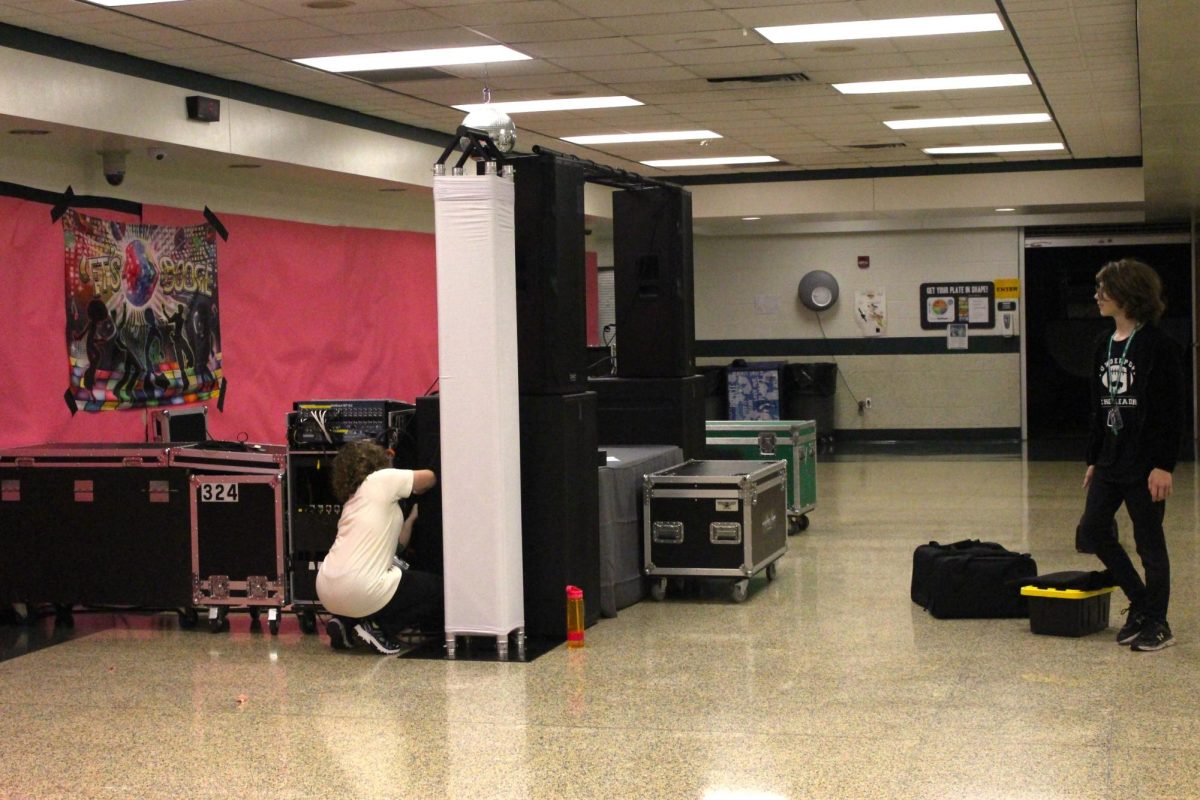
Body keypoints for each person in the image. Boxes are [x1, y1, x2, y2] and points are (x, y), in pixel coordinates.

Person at [1080, 258, 1184, 652]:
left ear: (1126, 294)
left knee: (1148, 542)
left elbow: (1171, 411)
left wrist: (1163, 465)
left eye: (1103, 289)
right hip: (1109, 460)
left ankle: (1158, 623)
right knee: (1092, 531)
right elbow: (1097, 405)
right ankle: (1142, 604)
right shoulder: (1102, 344)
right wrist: (1093, 458)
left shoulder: (1159, 346)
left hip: (1144, 464)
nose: (1097, 296)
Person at [316, 440, 441, 654]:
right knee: (438, 590)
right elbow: (429, 479)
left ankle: (345, 623)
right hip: (361, 588)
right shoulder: (380, 479)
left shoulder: (352, 500)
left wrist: (410, 520)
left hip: (327, 588)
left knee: (381, 583)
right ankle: (380, 627)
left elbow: (396, 547)